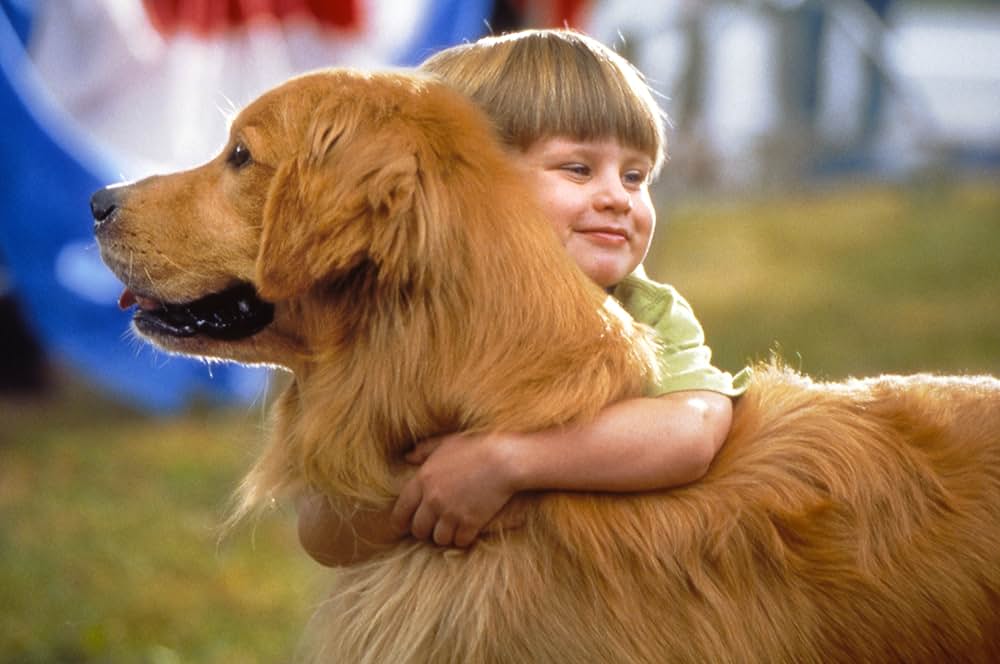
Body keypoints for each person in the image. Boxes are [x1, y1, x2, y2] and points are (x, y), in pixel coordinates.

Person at [297, 29, 749, 566]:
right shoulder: (408, 323)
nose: (618, 198)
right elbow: (324, 533)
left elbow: (693, 429)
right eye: (577, 169)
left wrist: (509, 462)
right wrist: (431, 491)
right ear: (467, 188)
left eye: (636, 176)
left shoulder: (642, 309)